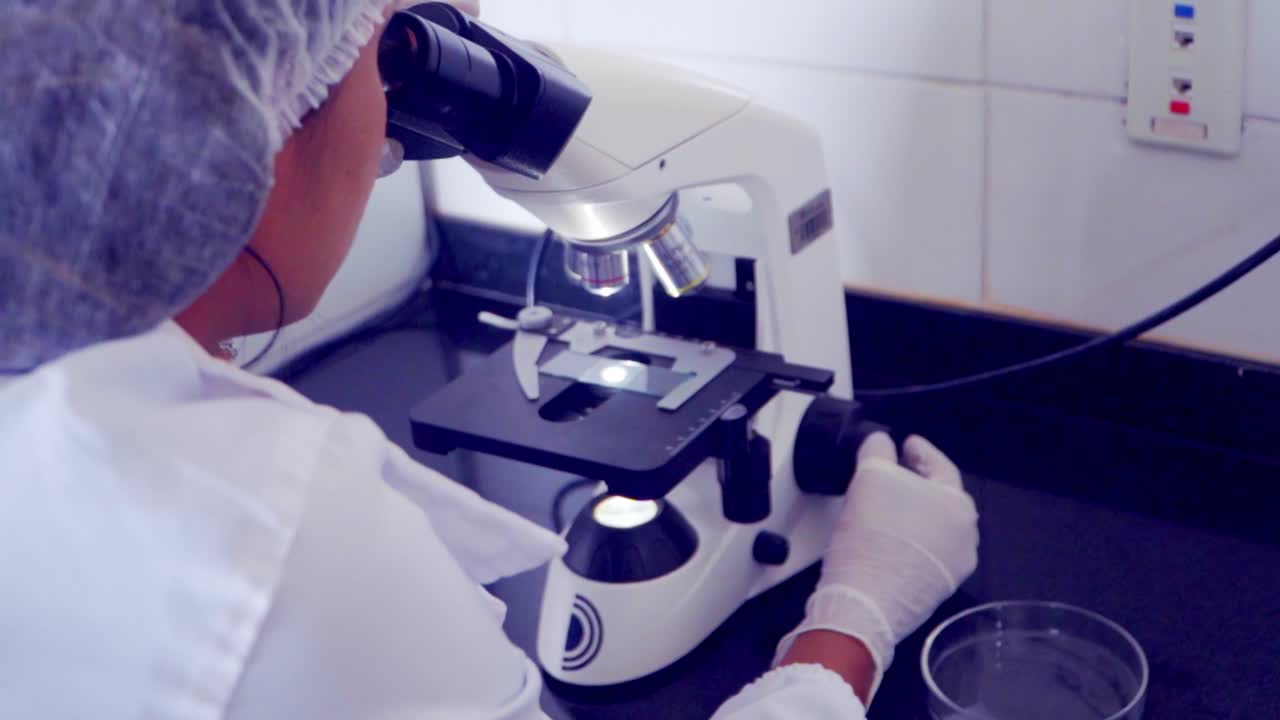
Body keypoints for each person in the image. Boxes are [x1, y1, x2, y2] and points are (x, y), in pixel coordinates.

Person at [0, 1, 979, 717]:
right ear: (261, 121)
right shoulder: (291, 545)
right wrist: (848, 626)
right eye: (372, 68)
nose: (386, 136)